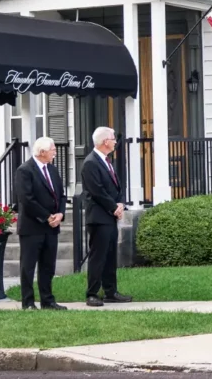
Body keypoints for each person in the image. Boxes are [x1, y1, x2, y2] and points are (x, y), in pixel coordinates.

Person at [80, 126, 132, 307]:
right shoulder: (90, 163)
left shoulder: (107, 161)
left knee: (110, 256)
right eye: (113, 138)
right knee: (98, 256)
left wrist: (120, 203)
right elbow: (97, 191)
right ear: (104, 142)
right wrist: (113, 207)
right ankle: (92, 293)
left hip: (110, 216)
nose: (115, 141)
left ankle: (111, 291)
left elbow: (116, 187)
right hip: (99, 218)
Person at [14, 136, 67, 310]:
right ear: (42, 152)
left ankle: (48, 300)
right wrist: (46, 217)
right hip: (32, 227)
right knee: (28, 267)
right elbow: (26, 199)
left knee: (48, 266)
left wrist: (60, 214)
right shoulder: (25, 170)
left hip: (52, 228)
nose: (55, 151)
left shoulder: (52, 169)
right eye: (52, 149)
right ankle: (28, 302)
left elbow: (61, 194)